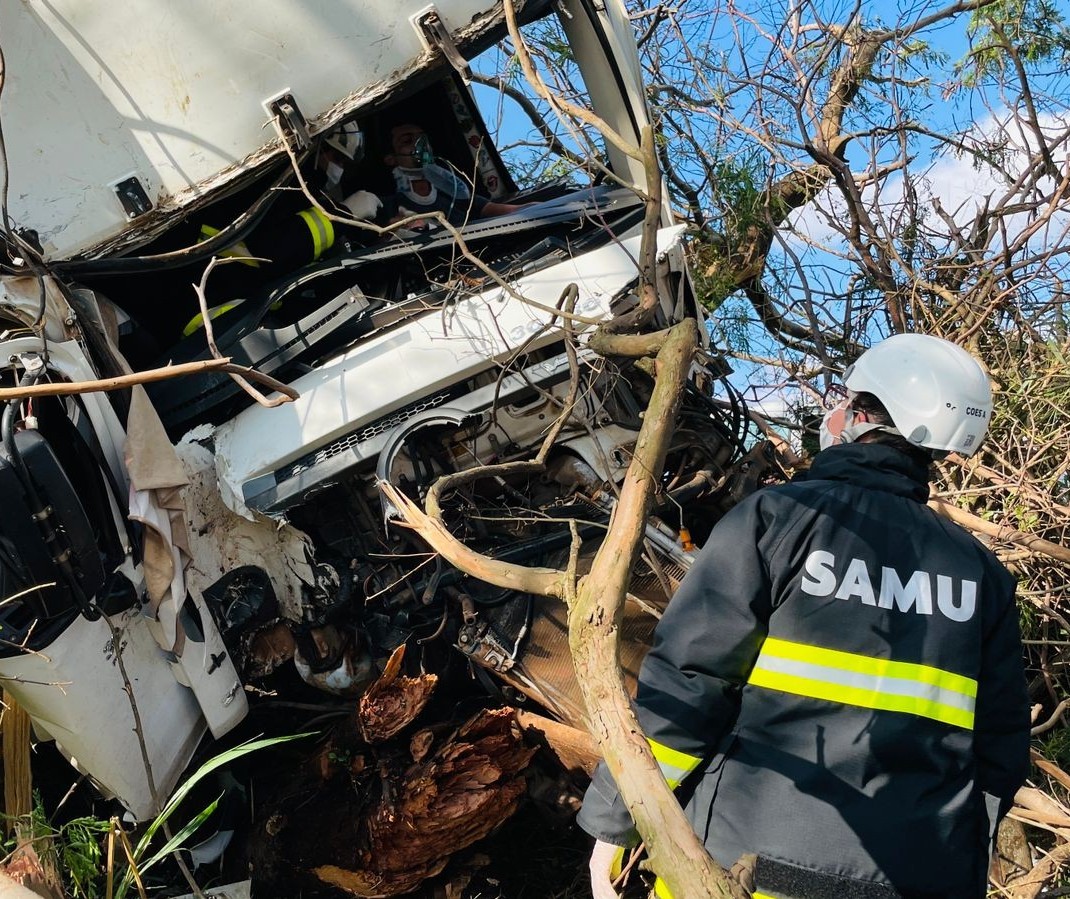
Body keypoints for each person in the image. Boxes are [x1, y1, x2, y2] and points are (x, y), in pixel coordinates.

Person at [579, 333, 1031, 899]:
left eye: (845, 399)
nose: (833, 411)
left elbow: (692, 683)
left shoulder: (776, 520)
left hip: (744, 867)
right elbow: (999, 748)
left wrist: (618, 821)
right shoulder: (980, 573)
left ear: (860, 417)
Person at [380, 123, 524, 227]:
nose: (421, 146)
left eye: (423, 139)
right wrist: (394, 231)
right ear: (390, 158)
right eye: (407, 141)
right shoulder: (386, 206)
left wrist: (541, 207)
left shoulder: (454, 194)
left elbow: (508, 210)